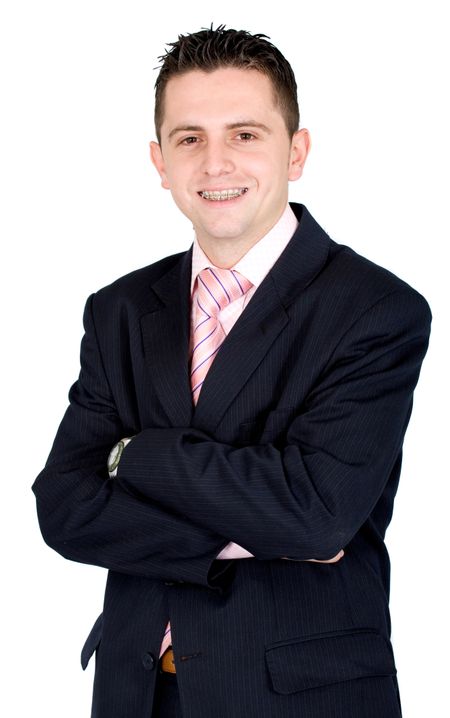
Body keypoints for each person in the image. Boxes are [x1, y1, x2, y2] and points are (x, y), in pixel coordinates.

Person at [32, 25, 431, 718]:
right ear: (160, 160)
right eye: (189, 138)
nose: (215, 163)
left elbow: (316, 516)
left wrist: (135, 456)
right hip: (136, 692)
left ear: (295, 151)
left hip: (298, 697)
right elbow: (64, 507)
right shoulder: (119, 309)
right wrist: (254, 533)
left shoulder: (375, 310)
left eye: (245, 134)